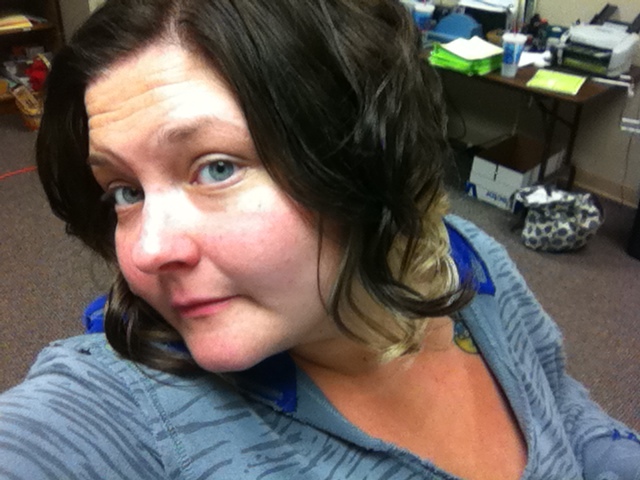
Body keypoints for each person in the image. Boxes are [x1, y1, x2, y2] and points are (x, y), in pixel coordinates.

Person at [1, 0, 638, 478]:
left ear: (363, 157)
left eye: (216, 168)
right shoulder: (131, 409)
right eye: (124, 192)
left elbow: (561, 409)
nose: (146, 252)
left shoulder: (466, 259)